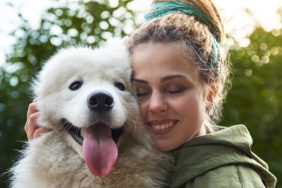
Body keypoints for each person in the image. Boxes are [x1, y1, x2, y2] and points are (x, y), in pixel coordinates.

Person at [24, 0, 277, 187]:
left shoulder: (224, 180)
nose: (155, 105)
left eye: (175, 89)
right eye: (141, 91)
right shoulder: (173, 162)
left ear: (210, 92)